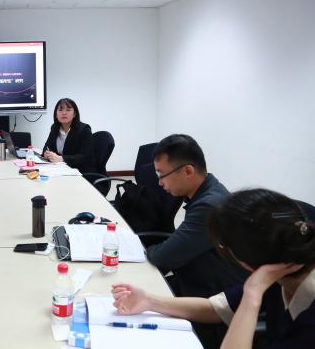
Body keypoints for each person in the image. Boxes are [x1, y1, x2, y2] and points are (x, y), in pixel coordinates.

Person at [112, 188, 315, 349]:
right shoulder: (278, 270)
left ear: (246, 262)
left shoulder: (304, 312)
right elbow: (215, 308)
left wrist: (252, 295)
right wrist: (149, 301)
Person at [147, 134, 246, 299]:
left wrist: (147, 251)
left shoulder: (209, 206)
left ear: (188, 171)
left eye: (162, 175)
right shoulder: (208, 190)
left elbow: (163, 257)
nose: (160, 182)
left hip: (213, 295)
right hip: (199, 277)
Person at [42, 98, 94, 173]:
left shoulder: (84, 129)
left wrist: (61, 158)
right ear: (56, 114)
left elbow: (84, 157)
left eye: (68, 110)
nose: (64, 113)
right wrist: (46, 154)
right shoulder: (55, 128)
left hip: (81, 171)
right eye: (60, 110)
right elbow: (47, 146)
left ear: (74, 114)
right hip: (61, 168)